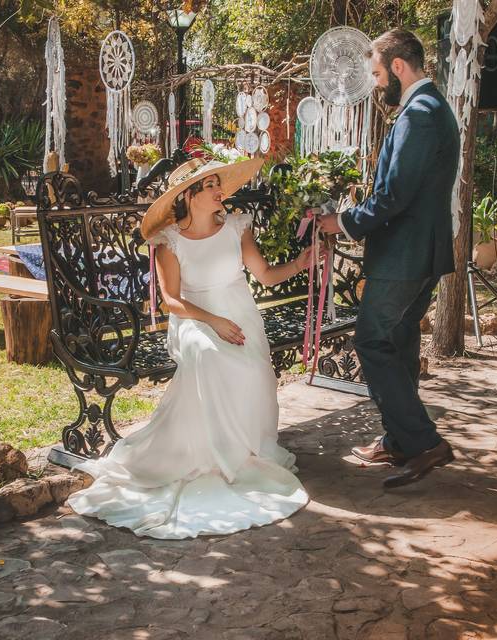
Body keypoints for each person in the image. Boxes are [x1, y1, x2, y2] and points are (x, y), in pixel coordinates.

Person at [68, 157, 324, 539]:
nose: (220, 191)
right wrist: (213, 322)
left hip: (239, 316)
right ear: (189, 196)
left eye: (218, 184)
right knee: (208, 355)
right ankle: (211, 456)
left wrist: (302, 263)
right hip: (194, 320)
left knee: (253, 369)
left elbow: (266, 276)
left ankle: (243, 451)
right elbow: (171, 300)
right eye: (210, 186)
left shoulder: (237, 227)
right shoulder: (169, 241)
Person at [317, 28, 461, 488]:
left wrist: (343, 221)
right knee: (399, 344)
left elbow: (394, 195)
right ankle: (399, 439)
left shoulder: (419, 113)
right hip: (423, 252)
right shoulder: (433, 108)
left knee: (371, 342)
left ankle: (422, 442)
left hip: (404, 255)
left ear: (398, 66)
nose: (377, 81)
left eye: (378, 71)